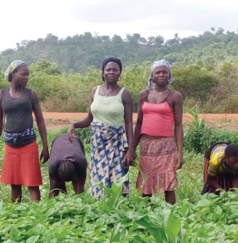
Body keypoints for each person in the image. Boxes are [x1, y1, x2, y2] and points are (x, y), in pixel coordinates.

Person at [67, 57, 135, 199]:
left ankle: (120, 208)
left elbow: (129, 123)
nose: (111, 72)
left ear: (120, 73)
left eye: (115, 70)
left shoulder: (124, 94)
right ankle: (99, 208)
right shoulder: (95, 91)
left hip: (117, 143)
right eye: (108, 69)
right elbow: (89, 119)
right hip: (98, 143)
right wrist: (74, 125)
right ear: (103, 73)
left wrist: (130, 149)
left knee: (118, 176)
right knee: (98, 176)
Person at [0, 61, 50, 203]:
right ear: (13, 74)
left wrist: (45, 146)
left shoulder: (31, 94)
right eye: (23, 74)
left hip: (28, 143)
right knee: (14, 182)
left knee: (32, 182)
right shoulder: (1, 95)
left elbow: (40, 121)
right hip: (10, 145)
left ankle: (38, 214)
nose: (26, 77)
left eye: (28, 75)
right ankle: (15, 215)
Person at [131, 60, 184, 204]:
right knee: (146, 182)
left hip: (166, 145)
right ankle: (145, 214)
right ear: (152, 76)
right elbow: (140, 123)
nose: (161, 75)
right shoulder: (144, 94)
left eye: (164, 72)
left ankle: (171, 214)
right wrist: (132, 148)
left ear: (169, 75)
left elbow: (178, 125)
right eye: (158, 72)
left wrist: (180, 152)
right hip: (146, 144)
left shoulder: (175, 96)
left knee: (169, 182)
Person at [47, 133, 87, 198]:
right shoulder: (53, 166)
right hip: (58, 141)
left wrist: (79, 198)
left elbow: (80, 189)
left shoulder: (81, 163)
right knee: (55, 185)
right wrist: (64, 196)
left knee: (79, 189)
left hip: (75, 140)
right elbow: (53, 189)